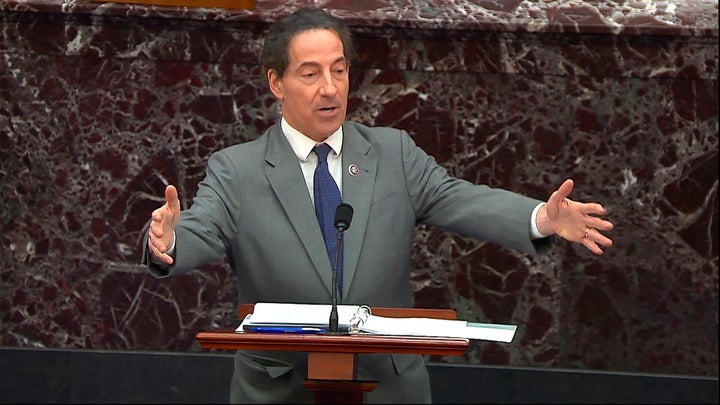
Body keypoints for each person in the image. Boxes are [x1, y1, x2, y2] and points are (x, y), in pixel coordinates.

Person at [142, 7, 613, 404]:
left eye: (340, 70)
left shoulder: (393, 154)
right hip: (280, 386)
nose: (330, 88)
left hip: (387, 387)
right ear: (277, 83)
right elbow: (197, 232)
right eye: (310, 74)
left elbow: (461, 199)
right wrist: (167, 241)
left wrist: (540, 218)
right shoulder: (237, 170)